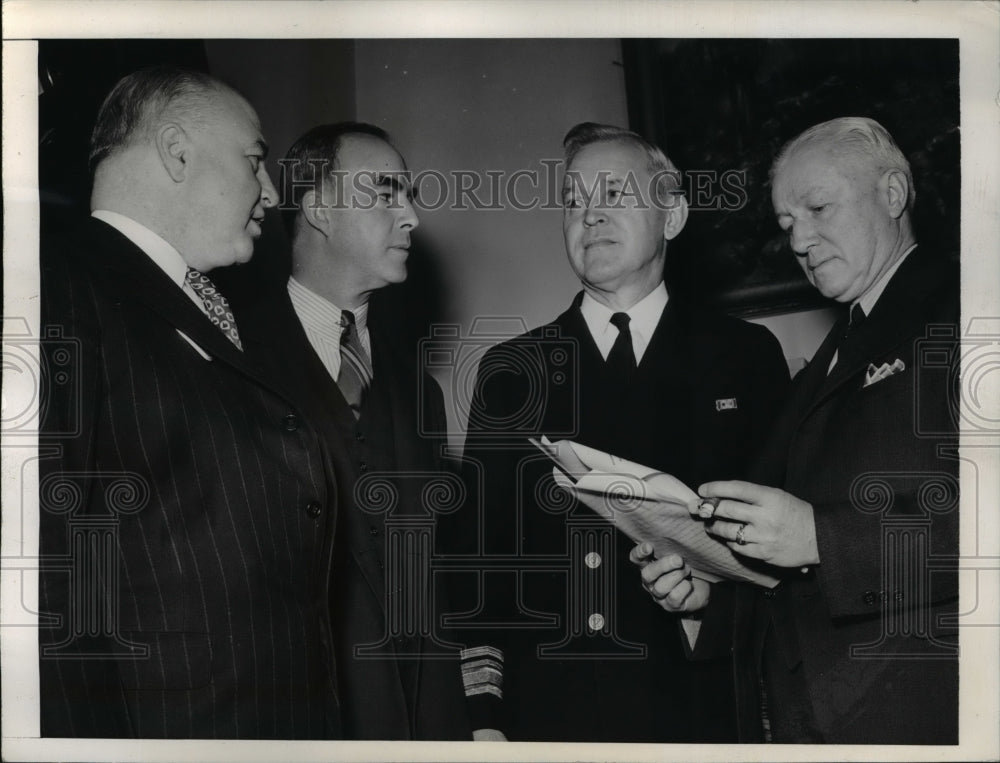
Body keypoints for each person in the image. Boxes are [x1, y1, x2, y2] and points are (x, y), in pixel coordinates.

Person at [450, 122, 790, 742]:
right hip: (554, 711)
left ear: (674, 215)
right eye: (574, 201)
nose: (590, 216)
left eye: (615, 195)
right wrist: (484, 716)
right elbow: (479, 561)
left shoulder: (746, 355)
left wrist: (711, 605)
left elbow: (782, 559)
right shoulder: (510, 371)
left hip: (699, 704)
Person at [632, 116, 959, 744]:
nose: (801, 240)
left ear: (893, 194)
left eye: (818, 208)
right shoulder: (836, 348)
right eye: (787, 225)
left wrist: (820, 536)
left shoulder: (969, 307)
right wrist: (710, 590)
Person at [38, 67, 340, 738]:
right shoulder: (55, 285)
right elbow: (41, 579)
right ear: (177, 151)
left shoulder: (206, 304)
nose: (269, 192)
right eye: (255, 161)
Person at [235, 122, 471, 740]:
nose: (412, 217)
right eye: (387, 192)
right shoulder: (231, 359)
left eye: (409, 195)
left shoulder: (418, 384)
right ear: (319, 208)